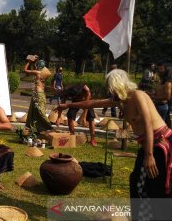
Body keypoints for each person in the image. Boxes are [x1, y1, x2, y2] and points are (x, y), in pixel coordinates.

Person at [56, 69, 172, 218]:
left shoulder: (138, 95)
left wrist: (149, 155)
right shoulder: (120, 100)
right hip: (148, 146)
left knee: (156, 186)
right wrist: (68, 106)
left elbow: (148, 124)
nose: (110, 93)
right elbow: (92, 103)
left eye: (111, 89)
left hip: (160, 146)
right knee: (137, 182)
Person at [24, 55, 53, 132]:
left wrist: (30, 61)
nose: (35, 66)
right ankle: (35, 127)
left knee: (40, 111)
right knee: (33, 110)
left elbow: (25, 70)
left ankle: (49, 127)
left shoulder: (37, 72)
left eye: (37, 65)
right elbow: (47, 71)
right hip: (40, 93)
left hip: (38, 93)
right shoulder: (45, 73)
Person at [156, 62, 172, 128]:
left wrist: (155, 97)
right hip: (162, 105)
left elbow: (167, 97)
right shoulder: (163, 81)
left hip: (164, 105)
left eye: (161, 69)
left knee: (162, 124)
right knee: (164, 123)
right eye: (159, 69)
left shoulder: (168, 83)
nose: (160, 71)